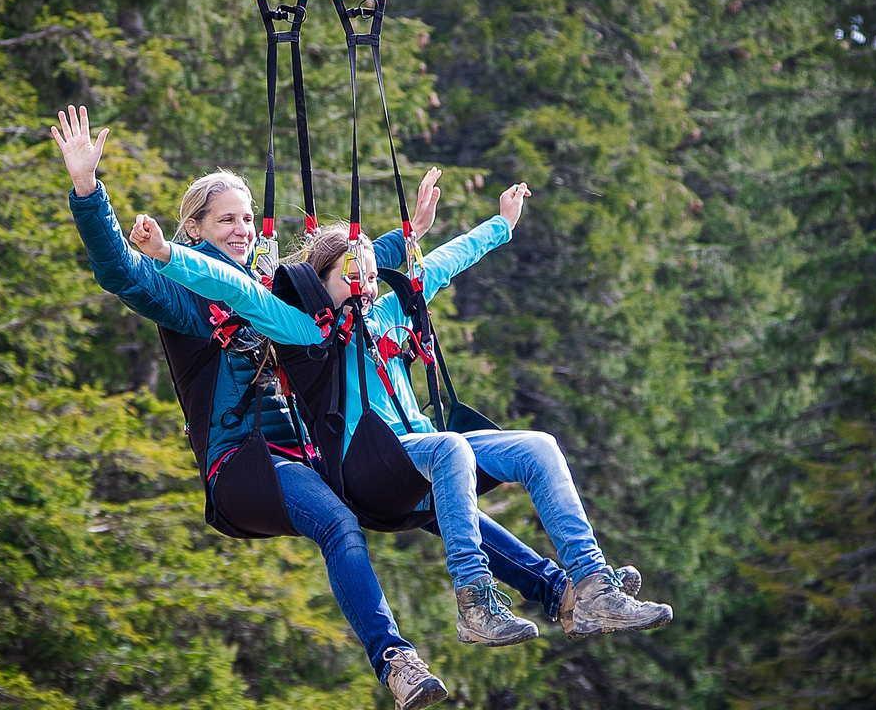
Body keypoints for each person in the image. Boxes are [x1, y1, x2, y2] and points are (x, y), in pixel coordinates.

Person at [52, 105, 621, 710]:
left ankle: (561, 590)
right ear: (194, 230)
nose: (242, 229)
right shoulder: (185, 294)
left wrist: (410, 236)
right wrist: (89, 189)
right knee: (340, 524)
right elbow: (119, 269)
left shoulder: (278, 286)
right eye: (226, 221)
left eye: (247, 218)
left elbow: (346, 269)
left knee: (432, 491)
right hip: (245, 462)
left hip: (313, 453)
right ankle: (397, 661)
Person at [129, 173, 674, 646]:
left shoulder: (389, 310)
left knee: (538, 447)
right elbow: (235, 289)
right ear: (322, 283)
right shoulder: (305, 332)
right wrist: (167, 256)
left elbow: (438, 264)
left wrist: (501, 225)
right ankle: (475, 597)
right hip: (370, 463)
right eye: (350, 273)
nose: (364, 282)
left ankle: (593, 582)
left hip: (418, 450)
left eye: (368, 271)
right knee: (451, 447)